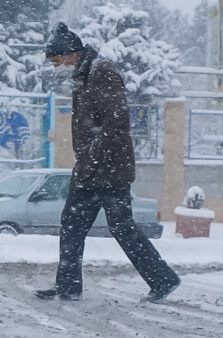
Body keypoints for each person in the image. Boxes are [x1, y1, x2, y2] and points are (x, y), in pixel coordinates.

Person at [35, 23, 181, 303]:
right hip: (92, 169)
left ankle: (163, 279)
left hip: (109, 169)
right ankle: (68, 286)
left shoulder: (102, 72)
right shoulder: (85, 74)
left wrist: (91, 156)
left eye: (56, 60)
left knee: (121, 226)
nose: (55, 67)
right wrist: (87, 160)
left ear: (70, 53)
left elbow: (115, 124)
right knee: (72, 225)